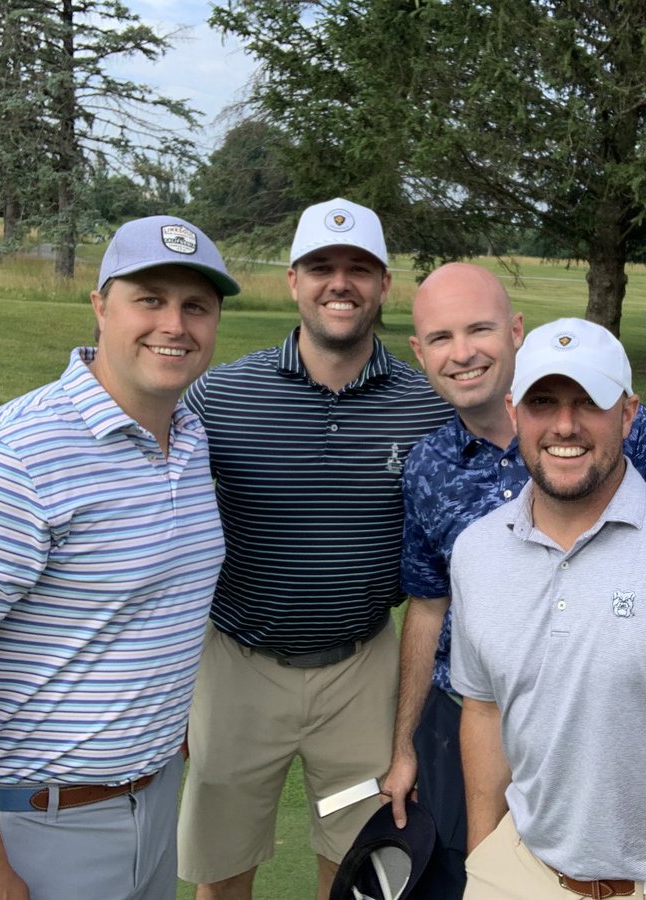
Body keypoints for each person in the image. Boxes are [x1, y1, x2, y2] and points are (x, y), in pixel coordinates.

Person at [0, 215, 238, 900]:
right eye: (150, 299)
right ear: (100, 306)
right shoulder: (11, 459)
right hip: (34, 826)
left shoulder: (190, 439)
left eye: (196, 306)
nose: (175, 324)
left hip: (154, 800)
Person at [383, 264, 646, 899]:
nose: (564, 425)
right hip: (518, 845)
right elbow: (460, 667)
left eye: (589, 401)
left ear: (629, 415)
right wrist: (485, 858)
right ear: (516, 408)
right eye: (544, 403)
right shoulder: (459, 518)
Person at [177, 198, 455, 900]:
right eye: (322, 268)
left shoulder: (424, 404)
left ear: (383, 284)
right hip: (238, 667)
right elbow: (154, 510)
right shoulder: (223, 394)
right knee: (220, 868)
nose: (341, 283)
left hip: (363, 673)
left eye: (359, 269)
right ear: (294, 281)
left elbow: (531, 434)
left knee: (357, 857)